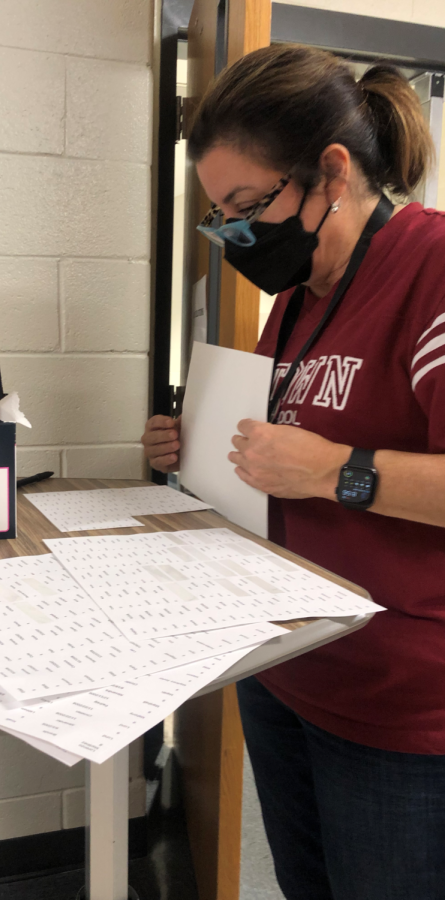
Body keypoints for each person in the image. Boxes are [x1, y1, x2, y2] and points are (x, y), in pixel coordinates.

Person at [142, 43, 445, 900]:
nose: (236, 234)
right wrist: (196, 450)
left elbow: (327, 466)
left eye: (246, 205)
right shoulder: (299, 301)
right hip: (288, 668)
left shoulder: (430, 270)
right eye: (219, 215)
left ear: (332, 171)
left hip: (399, 702)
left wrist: (338, 472)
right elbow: (279, 457)